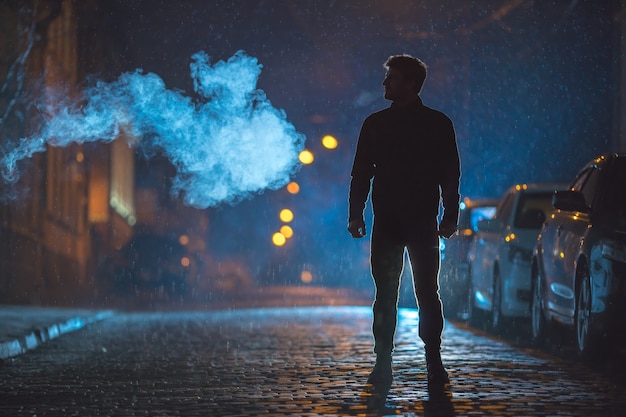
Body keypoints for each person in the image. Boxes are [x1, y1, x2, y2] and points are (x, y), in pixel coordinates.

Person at [348, 54, 461, 386]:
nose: (385, 83)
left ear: (411, 83)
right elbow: (361, 173)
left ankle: (431, 360)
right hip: (393, 221)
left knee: (421, 291)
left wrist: (450, 214)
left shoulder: (434, 124)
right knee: (396, 293)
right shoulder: (380, 124)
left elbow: (449, 174)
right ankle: (387, 361)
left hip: (417, 220)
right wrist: (356, 212)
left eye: (392, 78)